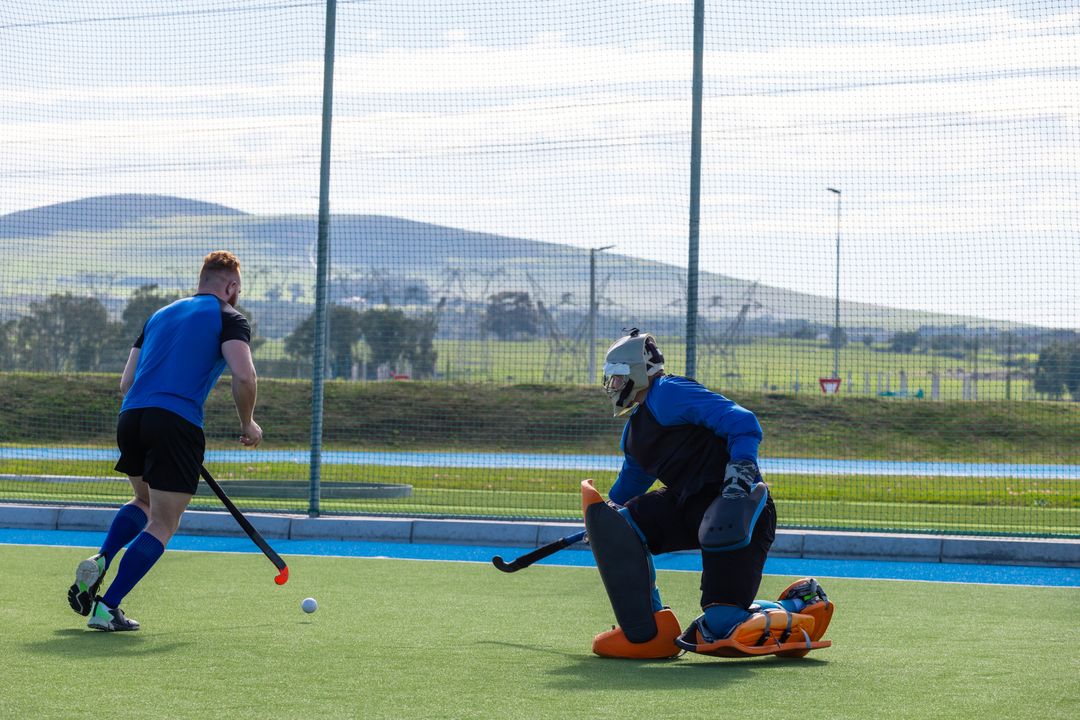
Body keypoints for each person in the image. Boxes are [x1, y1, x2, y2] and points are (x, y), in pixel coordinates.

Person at [581, 329, 834, 659]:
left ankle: (801, 602)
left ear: (638, 372)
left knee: (720, 627)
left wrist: (741, 470)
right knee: (623, 527)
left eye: (617, 377)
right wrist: (605, 521)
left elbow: (743, 421)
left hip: (737, 509)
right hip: (690, 506)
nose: (612, 386)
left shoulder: (670, 392)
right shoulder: (635, 430)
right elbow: (632, 480)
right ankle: (649, 630)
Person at [67, 250, 262, 631]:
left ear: (201, 279)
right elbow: (245, 375)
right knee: (162, 522)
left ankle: (103, 558)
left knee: (143, 499)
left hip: (132, 415)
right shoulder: (229, 317)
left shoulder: (159, 315)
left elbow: (126, 383)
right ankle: (108, 607)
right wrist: (249, 423)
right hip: (175, 421)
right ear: (232, 286)